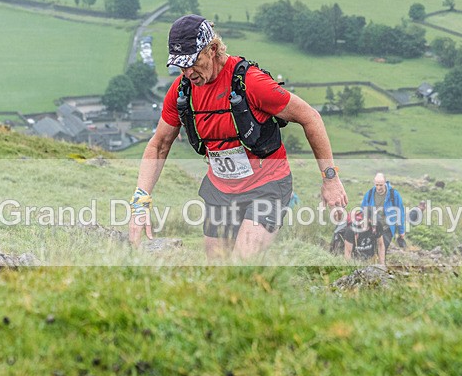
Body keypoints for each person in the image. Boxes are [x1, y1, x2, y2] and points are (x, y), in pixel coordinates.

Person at [129, 14, 347, 260]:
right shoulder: (182, 91)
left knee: (241, 264)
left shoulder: (250, 82)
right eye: (181, 65)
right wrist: (140, 203)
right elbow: (159, 145)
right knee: (218, 273)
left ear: (212, 49)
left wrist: (330, 179)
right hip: (221, 191)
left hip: (266, 186)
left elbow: (310, 117)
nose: (188, 72)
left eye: (193, 62)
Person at [360, 173, 405, 250]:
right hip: (372, 228)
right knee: (370, 250)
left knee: (382, 249)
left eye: (381, 185)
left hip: (387, 228)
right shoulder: (369, 194)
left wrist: (401, 231)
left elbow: (400, 213)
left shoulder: (394, 195)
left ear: (385, 183)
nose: (378, 187)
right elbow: (363, 210)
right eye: (376, 185)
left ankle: (381, 261)